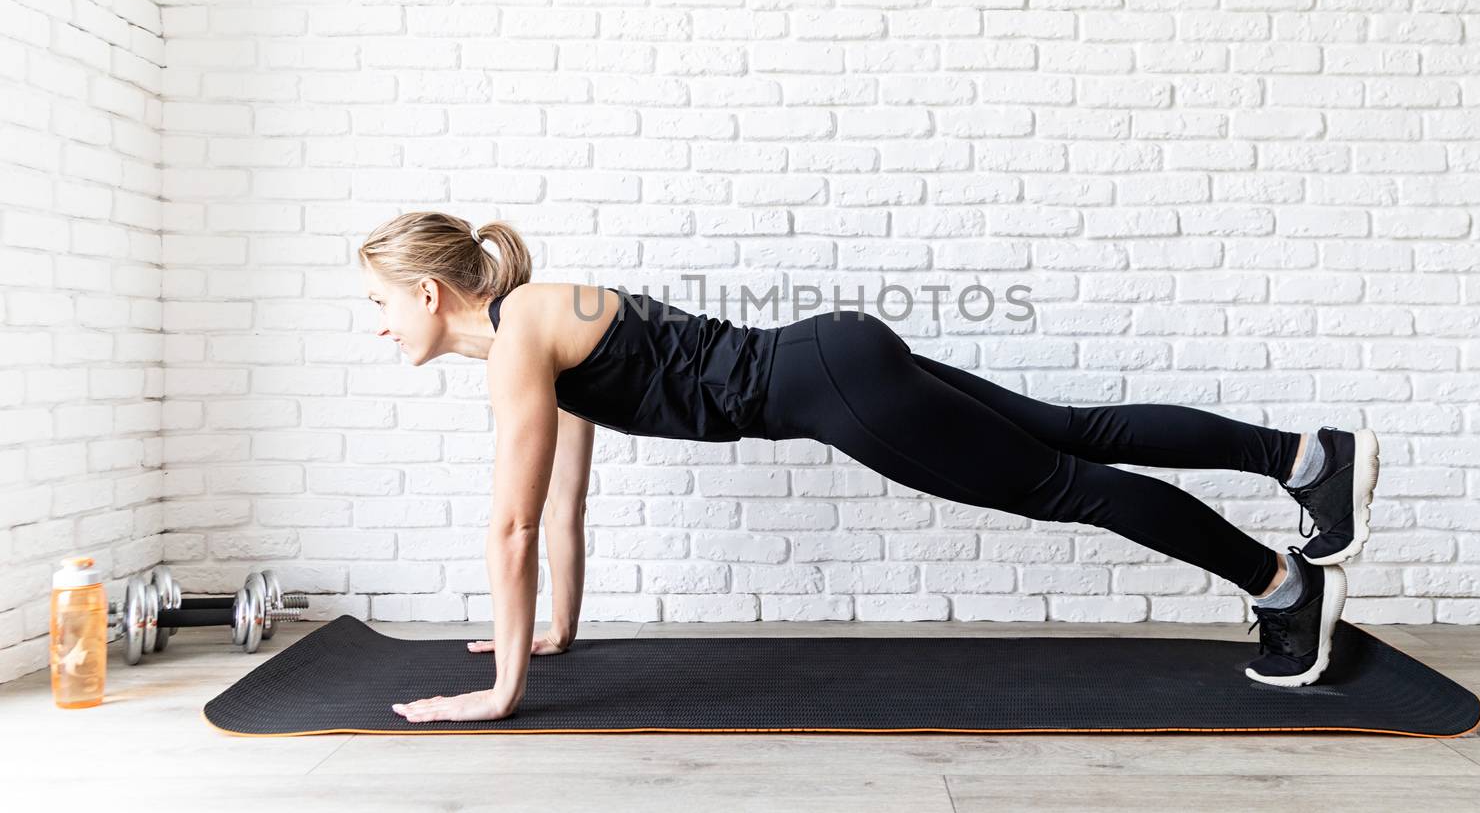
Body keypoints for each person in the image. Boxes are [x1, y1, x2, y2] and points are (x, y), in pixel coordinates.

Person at [361, 212, 1381, 723]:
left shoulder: (524, 338)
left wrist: (499, 691)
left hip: (825, 388)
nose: (377, 325)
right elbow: (564, 501)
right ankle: (1307, 459)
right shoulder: (531, 334)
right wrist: (552, 634)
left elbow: (512, 527)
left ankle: (1286, 586)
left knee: (1060, 481)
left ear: (429, 292)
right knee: (1072, 435)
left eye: (380, 302)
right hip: (831, 355)